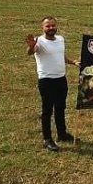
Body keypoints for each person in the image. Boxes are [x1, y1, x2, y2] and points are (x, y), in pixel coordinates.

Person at [25, 17, 78, 152]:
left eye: (53, 25)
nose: (51, 28)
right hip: (46, 80)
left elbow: (61, 56)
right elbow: (31, 51)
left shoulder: (60, 39)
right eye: (47, 26)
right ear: (43, 27)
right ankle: (47, 139)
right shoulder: (39, 41)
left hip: (61, 79)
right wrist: (31, 46)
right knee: (47, 110)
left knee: (60, 107)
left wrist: (73, 62)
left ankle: (62, 134)